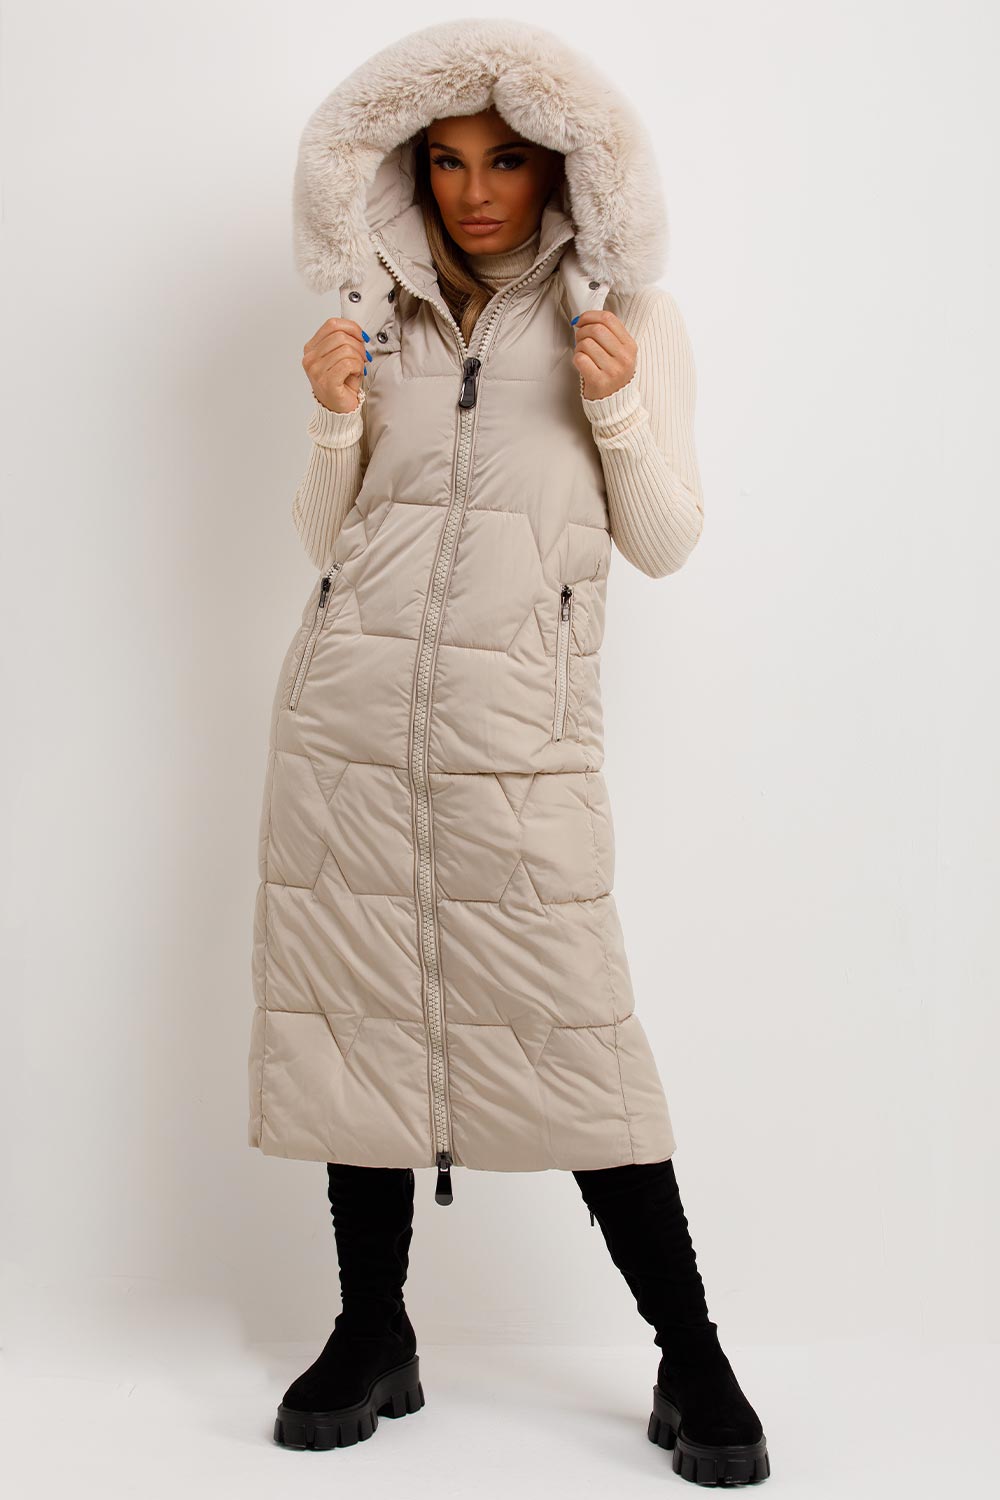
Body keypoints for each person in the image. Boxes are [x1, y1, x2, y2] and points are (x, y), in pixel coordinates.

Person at [248, 18, 770, 1486]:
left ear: (565, 170)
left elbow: (664, 541)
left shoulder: (634, 321)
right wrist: (332, 417)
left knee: (578, 1035)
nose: (475, 192)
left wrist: (613, 404)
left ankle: (691, 1352)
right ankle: (372, 1331)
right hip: (345, 733)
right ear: (406, 171)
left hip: (519, 743)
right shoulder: (375, 322)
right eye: (445, 161)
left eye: (508, 161)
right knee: (356, 1022)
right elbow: (325, 540)